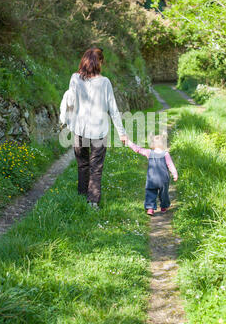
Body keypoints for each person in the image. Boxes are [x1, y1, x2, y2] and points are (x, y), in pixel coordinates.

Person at [60, 47, 127, 209]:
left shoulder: (75, 78)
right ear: (100, 62)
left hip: (80, 129)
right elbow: (113, 109)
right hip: (98, 132)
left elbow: (71, 100)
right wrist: (122, 133)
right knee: (96, 168)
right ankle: (92, 202)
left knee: (82, 165)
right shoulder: (105, 83)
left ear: (84, 61)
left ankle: (82, 196)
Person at [125, 134, 178, 216]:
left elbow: (138, 149)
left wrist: (128, 142)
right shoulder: (165, 154)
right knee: (164, 193)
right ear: (164, 144)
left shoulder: (149, 152)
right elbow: (170, 165)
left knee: (150, 192)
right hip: (163, 179)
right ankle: (164, 206)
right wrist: (175, 174)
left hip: (152, 179)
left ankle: (150, 208)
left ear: (152, 144)